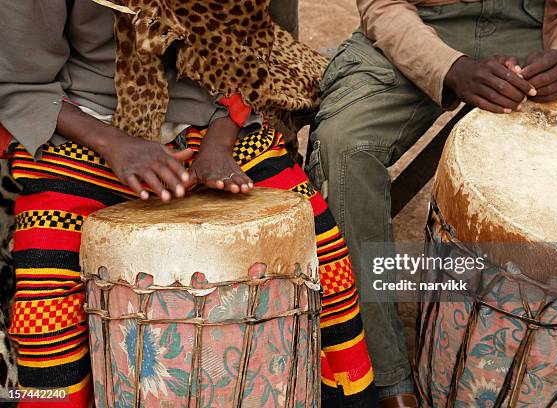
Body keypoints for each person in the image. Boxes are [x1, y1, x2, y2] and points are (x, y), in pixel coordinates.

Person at [0, 1, 377, 407]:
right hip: (86, 126)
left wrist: (218, 144)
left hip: (212, 118)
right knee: (47, 292)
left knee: (320, 246)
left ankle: (348, 395)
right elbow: (21, 82)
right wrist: (119, 146)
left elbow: (250, 58)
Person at [309, 0, 557, 406]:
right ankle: (384, 375)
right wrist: (450, 67)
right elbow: (384, 6)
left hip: (537, 32)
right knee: (344, 146)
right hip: (425, 28)